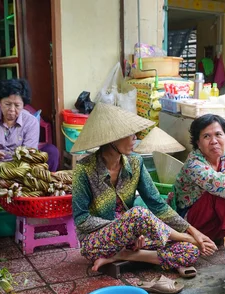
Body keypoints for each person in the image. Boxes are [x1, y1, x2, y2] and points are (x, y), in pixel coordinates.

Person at [71, 103, 216, 279]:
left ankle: (126, 256)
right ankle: (179, 240)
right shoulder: (84, 169)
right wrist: (127, 228)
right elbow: (82, 220)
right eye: (130, 134)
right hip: (97, 242)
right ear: (112, 139)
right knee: (139, 214)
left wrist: (193, 230)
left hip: (134, 239)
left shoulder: (135, 163)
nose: (135, 137)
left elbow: (158, 205)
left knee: (190, 252)